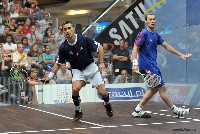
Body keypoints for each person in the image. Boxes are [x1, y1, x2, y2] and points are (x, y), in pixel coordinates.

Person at [44, 21, 113, 121]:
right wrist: (49, 77)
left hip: (91, 68)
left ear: (73, 29)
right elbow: (58, 63)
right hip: (77, 70)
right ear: (63, 32)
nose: (67, 31)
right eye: (65, 29)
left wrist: (101, 63)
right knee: (75, 89)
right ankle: (78, 110)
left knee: (103, 93)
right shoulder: (63, 47)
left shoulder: (84, 39)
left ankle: (107, 104)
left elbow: (100, 48)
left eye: (69, 28)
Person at [131, 13, 192, 118]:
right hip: (146, 66)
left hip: (153, 65)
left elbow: (166, 46)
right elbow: (135, 47)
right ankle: (176, 110)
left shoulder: (155, 35)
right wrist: (135, 63)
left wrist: (180, 54)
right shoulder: (143, 33)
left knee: (154, 89)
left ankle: (138, 109)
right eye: (150, 19)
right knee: (162, 88)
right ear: (146, 21)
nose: (152, 21)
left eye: (154, 19)